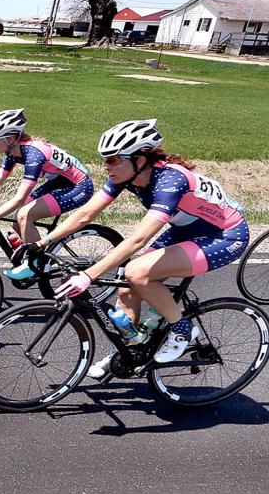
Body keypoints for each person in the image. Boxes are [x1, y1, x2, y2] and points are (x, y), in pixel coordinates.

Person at [27, 119, 249, 373]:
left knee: (136, 272)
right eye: (105, 159)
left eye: (113, 159)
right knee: (126, 288)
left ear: (140, 159)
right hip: (188, 230)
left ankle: (181, 330)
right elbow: (86, 214)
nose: (106, 165)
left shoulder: (170, 181)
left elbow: (138, 240)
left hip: (225, 236)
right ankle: (121, 355)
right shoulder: (126, 175)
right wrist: (43, 242)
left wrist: (88, 276)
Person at [0, 108, 94, 279]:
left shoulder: (34, 155)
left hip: (79, 187)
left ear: (10, 138)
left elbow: (19, 198)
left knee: (24, 215)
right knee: (17, 220)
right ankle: (31, 253)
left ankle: (35, 264)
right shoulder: (14, 152)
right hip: (60, 181)